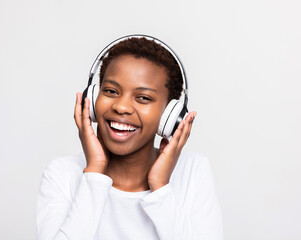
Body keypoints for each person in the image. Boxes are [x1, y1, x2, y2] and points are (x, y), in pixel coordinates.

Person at [37, 36, 223, 240]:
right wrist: (95, 171)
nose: (121, 107)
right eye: (110, 91)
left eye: (143, 98)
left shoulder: (193, 171)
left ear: (170, 116)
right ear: (92, 99)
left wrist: (160, 187)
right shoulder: (62, 174)